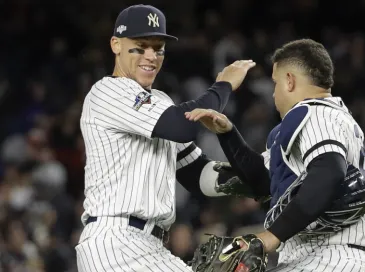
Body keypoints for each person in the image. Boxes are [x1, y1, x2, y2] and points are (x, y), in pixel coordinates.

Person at [75, 4, 255, 272]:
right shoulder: (106, 92)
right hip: (114, 242)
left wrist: (252, 179)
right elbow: (180, 127)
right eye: (140, 46)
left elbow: (196, 173)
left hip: (150, 246)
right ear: (116, 45)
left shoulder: (159, 103)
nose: (151, 56)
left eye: (158, 48)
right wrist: (224, 85)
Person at [186, 39, 365, 271]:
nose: (273, 94)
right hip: (321, 258)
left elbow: (329, 172)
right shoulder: (324, 119)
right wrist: (228, 134)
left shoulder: (315, 113)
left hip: (330, 256)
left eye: (275, 83)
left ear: (289, 81)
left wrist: (270, 237)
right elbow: (264, 181)